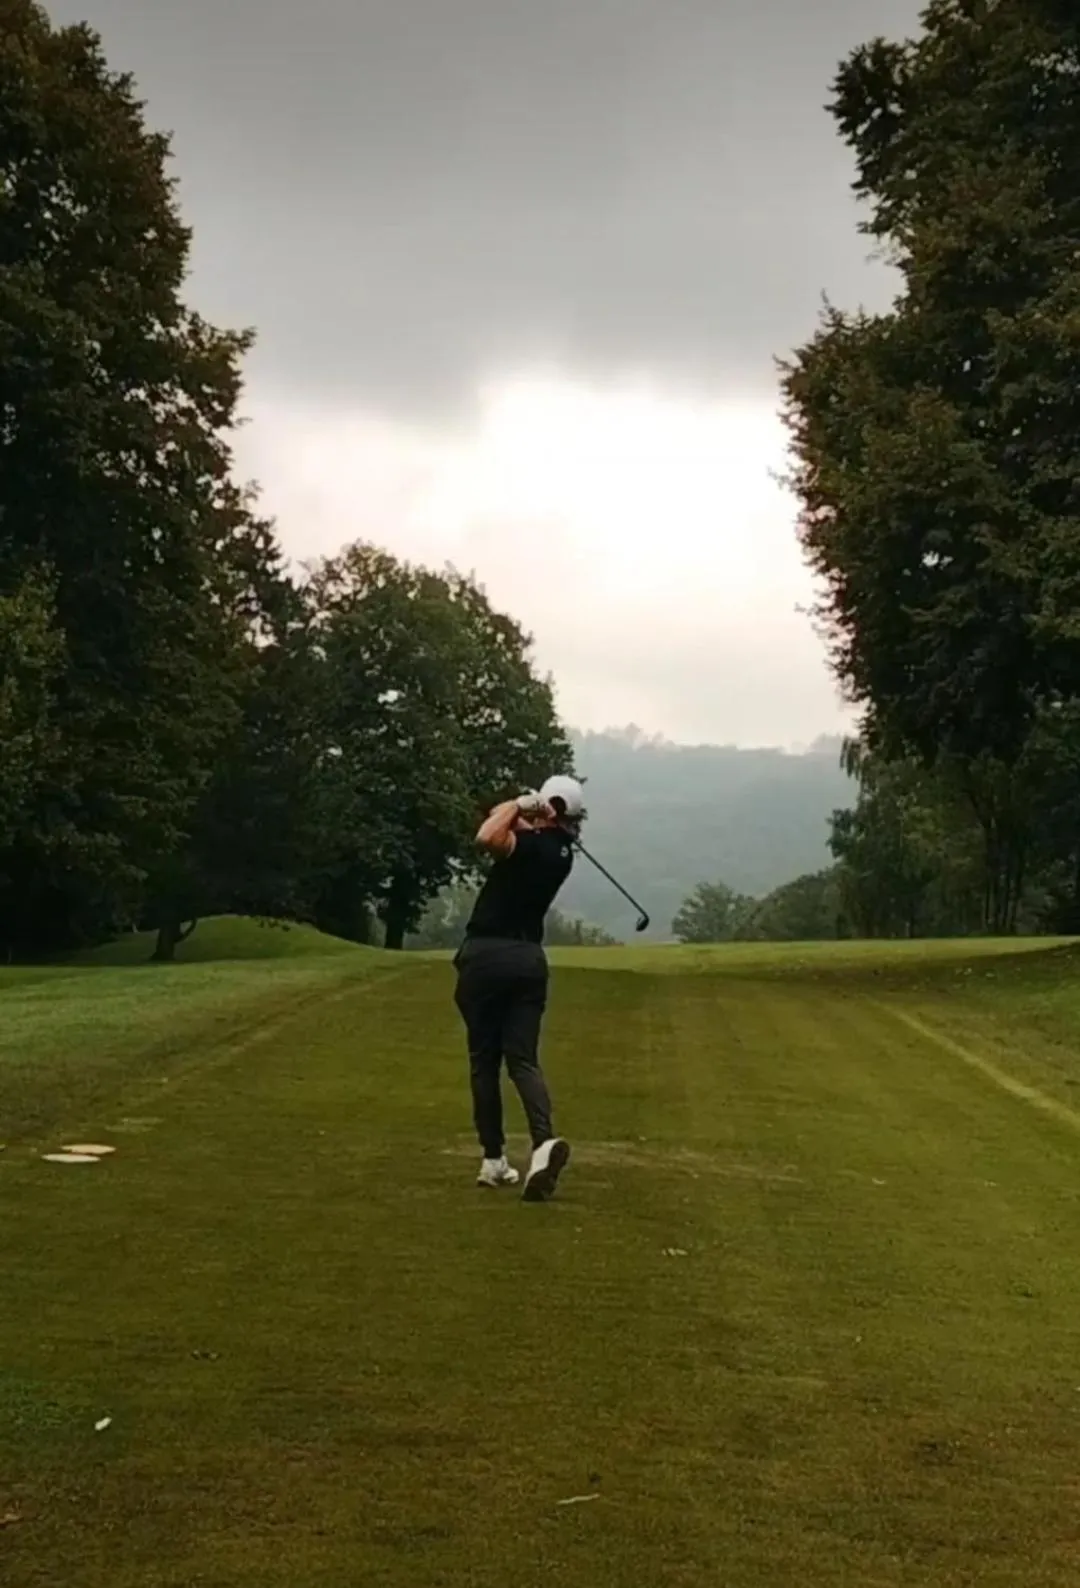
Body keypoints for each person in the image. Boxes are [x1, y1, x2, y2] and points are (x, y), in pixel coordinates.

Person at [452, 774, 586, 1202]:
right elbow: (506, 821)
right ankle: (543, 1142)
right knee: (523, 1060)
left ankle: (493, 1159)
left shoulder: (526, 847)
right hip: (529, 962)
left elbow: (488, 833)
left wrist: (520, 801)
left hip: (486, 955)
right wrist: (530, 808)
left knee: (484, 1062)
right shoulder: (560, 853)